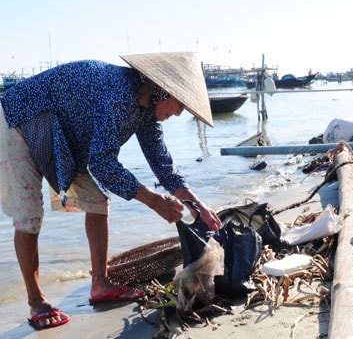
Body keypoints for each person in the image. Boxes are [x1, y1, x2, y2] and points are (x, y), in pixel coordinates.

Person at [0, 52, 222, 330]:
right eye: (180, 105)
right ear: (162, 90)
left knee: (97, 202)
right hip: (20, 120)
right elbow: (102, 163)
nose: (179, 113)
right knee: (30, 217)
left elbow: (162, 164)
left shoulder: (146, 113)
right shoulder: (119, 93)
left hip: (66, 135)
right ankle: (36, 302)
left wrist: (197, 205)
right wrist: (154, 201)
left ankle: (100, 285)